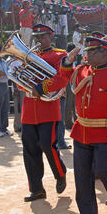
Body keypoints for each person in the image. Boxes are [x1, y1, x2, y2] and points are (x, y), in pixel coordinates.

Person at [60, 37, 107, 214]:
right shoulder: (81, 70)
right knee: (82, 174)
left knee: (102, 169)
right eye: (87, 51)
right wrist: (67, 61)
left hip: (106, 132)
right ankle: (89, 213)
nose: (88, 55)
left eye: (92, 52)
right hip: (82, 130)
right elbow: (63, 76)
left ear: (105, 53)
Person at [20, 24, 69, 202]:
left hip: (48, 108)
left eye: (42, 37)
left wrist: (41, 87)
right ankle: (37, 189)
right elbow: (19, 76)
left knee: (48, 145)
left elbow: (62, 78)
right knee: (30, 150)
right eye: (37, 37)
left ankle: (60, 173)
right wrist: (23, 84)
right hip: (29, 110)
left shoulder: (59, 55)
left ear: (51, 37)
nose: (39, 40)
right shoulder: (29, 56)